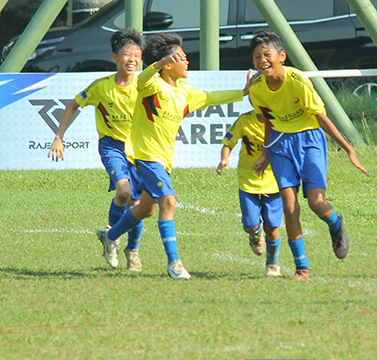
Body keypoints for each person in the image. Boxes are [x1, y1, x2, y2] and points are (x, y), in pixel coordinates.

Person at [100, 33, 251, 280]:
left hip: (164, 159)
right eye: (181, 57)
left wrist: (243, 92)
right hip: (145, 157)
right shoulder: (152, 84)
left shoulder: (185, 90)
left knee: (146, 209)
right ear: (168, 64)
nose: (187, 62)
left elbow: (211, 98)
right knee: (168, 202)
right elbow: (142, 79)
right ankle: (174, 263)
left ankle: (110, 235)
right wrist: (159, 64)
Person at [248, 29, 368, 281]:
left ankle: (336, 224)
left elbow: (322, 118)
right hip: (280, 144)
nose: (262, 61)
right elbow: (268, 120)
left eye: (267, 54)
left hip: (309, 139)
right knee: (289, 208)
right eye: (257, 57)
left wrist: (349, 149)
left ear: (282, 56)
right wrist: (266, 152)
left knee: (316, 202)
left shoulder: (297, 81)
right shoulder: (257, 88)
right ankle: (302, 268)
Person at [49, 29, 148, 272]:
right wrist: (59, 137)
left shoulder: (146, 85)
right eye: (126, 54)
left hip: (140, 148)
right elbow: (73, 105)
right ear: (114, 57)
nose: (132, 59)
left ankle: (131, 249)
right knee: (124, 193)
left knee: (137, 203)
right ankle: (113, 239)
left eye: (136, 54)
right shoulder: (101, 87)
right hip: (112, 146)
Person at [217, 109, 284, 277]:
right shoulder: (245, 120)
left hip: (274, 181)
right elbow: (228, 142)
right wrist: (224, 158)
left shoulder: (280, 119)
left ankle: (273, 264)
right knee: (251, 225)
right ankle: (255, 234)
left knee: (272, 225)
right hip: (248, 180)